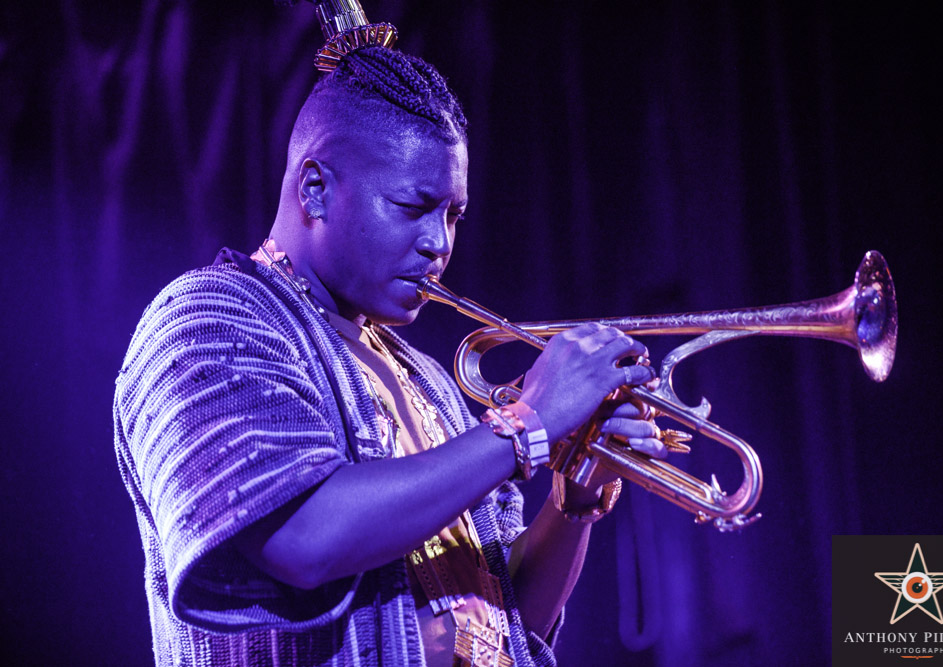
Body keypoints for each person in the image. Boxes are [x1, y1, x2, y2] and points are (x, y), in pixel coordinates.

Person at [114, 44, 666, 667]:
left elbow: (508, 628)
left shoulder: (426, 379)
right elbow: (303, 538)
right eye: (412, 207)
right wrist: (526, 424)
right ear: (317, 191)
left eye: (453, 215)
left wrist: (575, 499)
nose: (439, 244)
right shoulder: (210, 318)